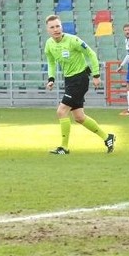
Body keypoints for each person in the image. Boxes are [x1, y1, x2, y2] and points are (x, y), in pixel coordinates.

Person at [44, 14, 115, 155]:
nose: (56, 29)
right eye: (52, 27)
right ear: (48, 30)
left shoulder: (73, 40)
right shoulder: (49, 44)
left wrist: (96, 75)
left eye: (58, 26)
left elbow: (91, 54)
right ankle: (108, 138)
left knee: (61, 111)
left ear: (61, 27)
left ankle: (64, 147)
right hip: (69, 80)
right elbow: (51, 62)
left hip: (80, 79)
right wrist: (51, 78)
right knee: (79, 117)